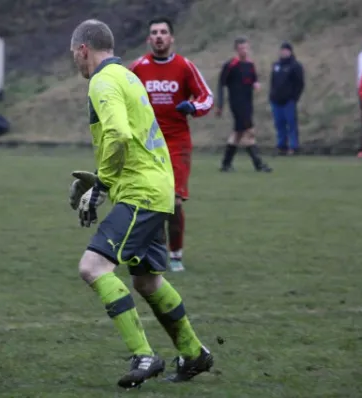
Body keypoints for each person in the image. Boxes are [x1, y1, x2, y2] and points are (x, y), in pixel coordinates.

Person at [68, 19, 213, 389]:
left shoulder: (103, 80)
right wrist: (102, 178)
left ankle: (143, 355)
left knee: (93, 266)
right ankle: (194, 353)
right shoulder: (128, 76)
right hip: (157, 187)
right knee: (148, 281)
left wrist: (101, 184)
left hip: (140, 192)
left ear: (83, 48)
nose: (75, 62)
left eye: (74, 55)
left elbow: (117, 133)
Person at [129, 17, 213, 272]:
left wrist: (193, 107)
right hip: (147, 144)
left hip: (177, 143)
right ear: (148, 39)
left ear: (171, 38)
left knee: (173, 203)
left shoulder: (185, 67)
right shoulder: (138, 68)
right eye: (154, 32)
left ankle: (175, 254)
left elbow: (206, 96)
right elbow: (122, 97)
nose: (158, 36)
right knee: (148, 202)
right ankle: (151, 251)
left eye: (163, 32)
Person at [216, 36, 272, 172]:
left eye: (246, 48)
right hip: (237, 103)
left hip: (248, 103)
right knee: (249, 132)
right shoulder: (231, 65)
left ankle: (225, 164)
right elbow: (221, 84)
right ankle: (258, 164)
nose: (244, 51)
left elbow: (253, 79)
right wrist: (220, 104)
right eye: (241, 48)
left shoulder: (250, 64)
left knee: (238, 134)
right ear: (236, 50)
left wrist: (256, 84)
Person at [269, 41, 304, 156]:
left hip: (289, 101)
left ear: (290, 51)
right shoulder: (276, 65)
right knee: (279, 124)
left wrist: (294, 97)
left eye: (286, 50)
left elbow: (300, 83)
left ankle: (293, 146)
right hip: (276, 100)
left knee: (291, 123)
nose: (283, 52)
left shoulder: (295, 66)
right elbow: (273, 81)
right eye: (282, 50)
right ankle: (281, 146)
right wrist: (272, 95)